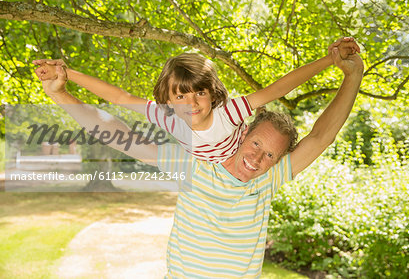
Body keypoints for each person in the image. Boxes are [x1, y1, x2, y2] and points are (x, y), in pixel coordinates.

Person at [37, 42, 364, 278]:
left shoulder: (269, 178)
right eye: (255, 144)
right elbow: (114, 131)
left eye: (270, 155)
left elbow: (321, 136)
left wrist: (351, 75)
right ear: (242, 132)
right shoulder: (191, 161)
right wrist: (60, 92)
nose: (256, 158)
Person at [33, 37, 360, 163]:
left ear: (211, 94)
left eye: (199, 92)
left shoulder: (229, 113)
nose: (191, 102)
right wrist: (67, 73)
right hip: (197, 163)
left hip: (232, 161)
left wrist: (328, 61)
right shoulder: (165, 116)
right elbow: (119, 97)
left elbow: (276, 90)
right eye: (180, 95)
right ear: (167, 98)